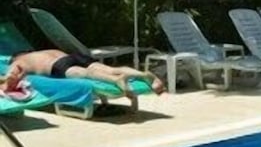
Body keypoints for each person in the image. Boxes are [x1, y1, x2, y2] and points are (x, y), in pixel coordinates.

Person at [3, 50, 165, 97]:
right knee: (111, 68)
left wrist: (5, 82)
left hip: (57, 66)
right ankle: (144, 75)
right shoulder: (42, 51)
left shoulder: (18, 61)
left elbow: (10, 78)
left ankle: (116, 80)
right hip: (73, 56)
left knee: (87, 74)